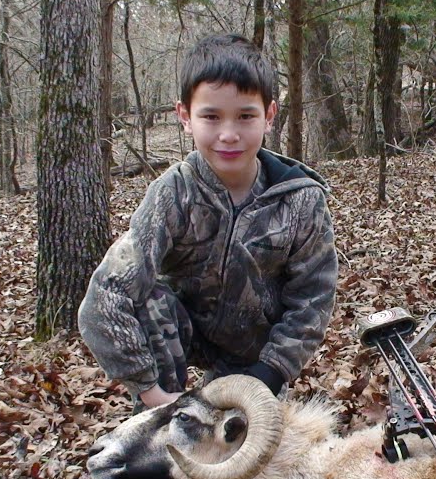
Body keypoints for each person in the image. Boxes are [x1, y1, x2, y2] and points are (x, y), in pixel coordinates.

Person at [79, 34, 338, 414]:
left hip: (255, 354)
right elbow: (106, 295)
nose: (228, 134)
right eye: (211, 116)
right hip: (181, 338)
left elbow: (313, 299)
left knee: (249, 454)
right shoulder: (172, 194)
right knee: (147, 296)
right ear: (185, 117)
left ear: (269, 115)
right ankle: (158, 418)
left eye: (246, 116)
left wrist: (271, 373)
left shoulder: (300, 199)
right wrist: (153, 394)